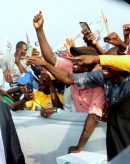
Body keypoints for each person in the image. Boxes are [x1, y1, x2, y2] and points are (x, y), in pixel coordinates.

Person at [29, 11, 106, 154]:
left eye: (78, 58)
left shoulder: (98, 87)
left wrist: (79, 148)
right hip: (74, 133)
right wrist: (39, 30)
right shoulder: (73, 68)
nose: (73, 60)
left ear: (89, 64)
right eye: (74, 57)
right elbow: (50, 57)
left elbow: (94, 117)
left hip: (94, 138)